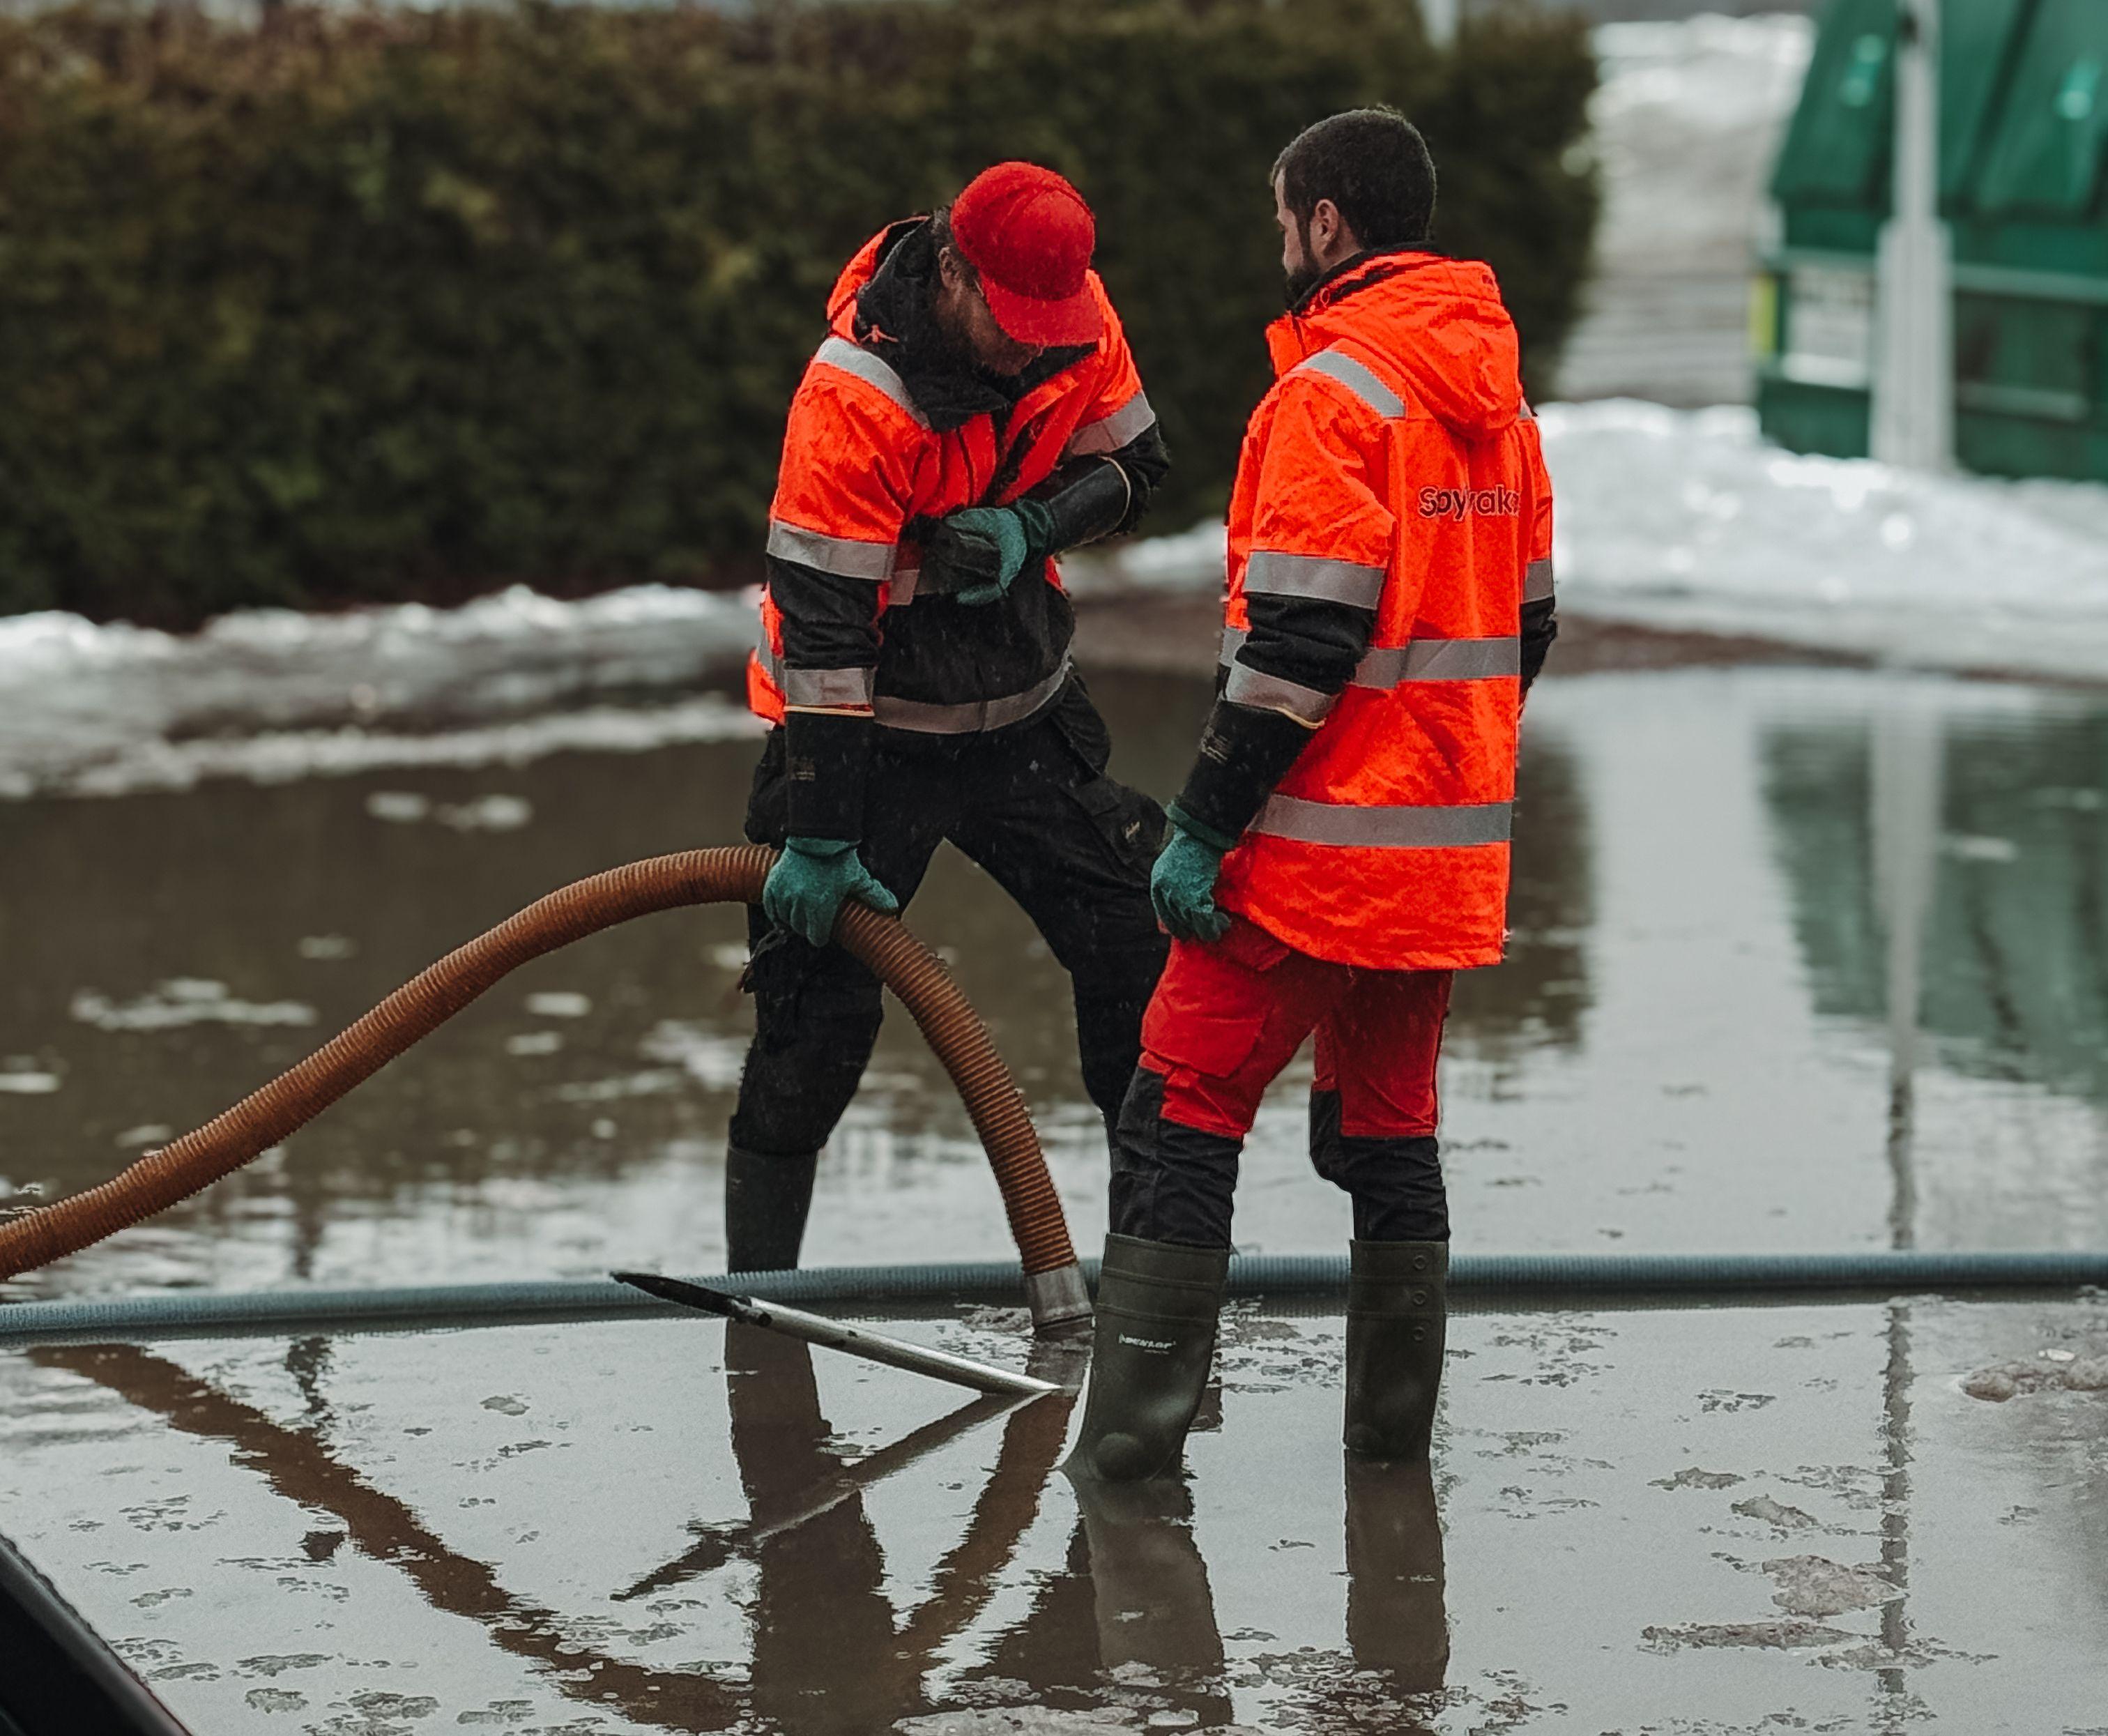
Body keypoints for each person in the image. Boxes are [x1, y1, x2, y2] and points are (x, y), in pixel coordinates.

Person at [1068, 109, 1558, 1482]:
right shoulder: (1498, 408)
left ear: (1328, 226)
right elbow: (1529, 629)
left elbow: (1297, 646)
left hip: (1308, 865)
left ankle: (1129, 1462)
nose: (1279, 242)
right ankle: (1391, 1453)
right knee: (1390, 1135)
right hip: (1440, 874)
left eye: (1286, 219)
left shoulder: (1328, 399)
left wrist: (1208, 830)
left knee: (1178, 1107)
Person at [728, 162, 1172, 1279]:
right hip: (867, 741)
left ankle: (1157, 1281)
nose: (1033, 348)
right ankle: (761, 1310)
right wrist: (822, 835)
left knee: (1136, 951)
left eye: (1048, 327)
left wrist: (1033, 523)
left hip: (1025, 719)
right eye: (1011, 326)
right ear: (954, 275)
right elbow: (825, 630)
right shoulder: (855, 397)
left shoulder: (1073, 312)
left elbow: (1138, 466)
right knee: (811, 1027)